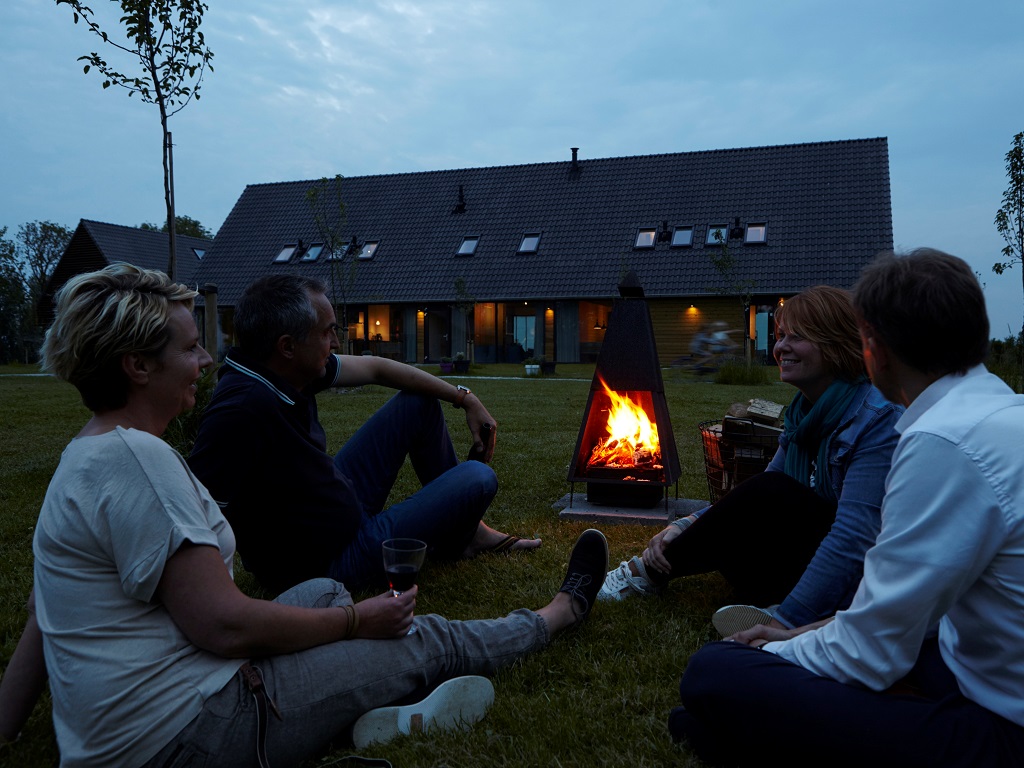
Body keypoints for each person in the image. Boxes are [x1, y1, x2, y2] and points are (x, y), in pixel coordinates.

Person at [25, 263, 609, 767]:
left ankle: (365, 688)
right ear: (137, 366)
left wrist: (4, 725)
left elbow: (44, 608)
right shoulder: (150, 458)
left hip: (158, 713)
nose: (205, 359)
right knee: (412, 633)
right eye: (188, 347)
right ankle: (557, 614)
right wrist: (359, 623)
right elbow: (224, 626)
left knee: (327, 592)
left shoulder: (89, 451)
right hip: (190, 732)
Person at [673, 248, 1024, 767]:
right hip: (968, 660)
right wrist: (798, 631)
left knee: (713, 673)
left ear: (874, 348)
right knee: (722, 707)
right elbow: (916, 615)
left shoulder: (942, 442)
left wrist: (774, 649)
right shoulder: (998, 410)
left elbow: (871, 650)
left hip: (1001, 729)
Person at [189, 274, 539, 594]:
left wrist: (465, 398)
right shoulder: (239, 411)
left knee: (420, 403)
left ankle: (468, 534)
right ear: (287, 346)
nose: (336, 343)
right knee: (478, 477)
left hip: (339, 509)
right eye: (327, 332)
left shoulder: (281, 368)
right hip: (328, 563)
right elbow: (197, 517)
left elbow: (377, 368)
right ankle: (465, 535)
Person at [599, 285, 904, 636]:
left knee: (773, 493)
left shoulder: (876, 419)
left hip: (860, 579)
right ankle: (657, 566)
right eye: (780, 336)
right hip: (806, 559)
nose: (780, 347)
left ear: (836, 342)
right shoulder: (804, 418)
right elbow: (749, 502)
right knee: (755, 506)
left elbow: (854, 537)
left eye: (797, 337)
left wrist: (785, 621)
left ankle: (647, 574)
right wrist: (681, 527)